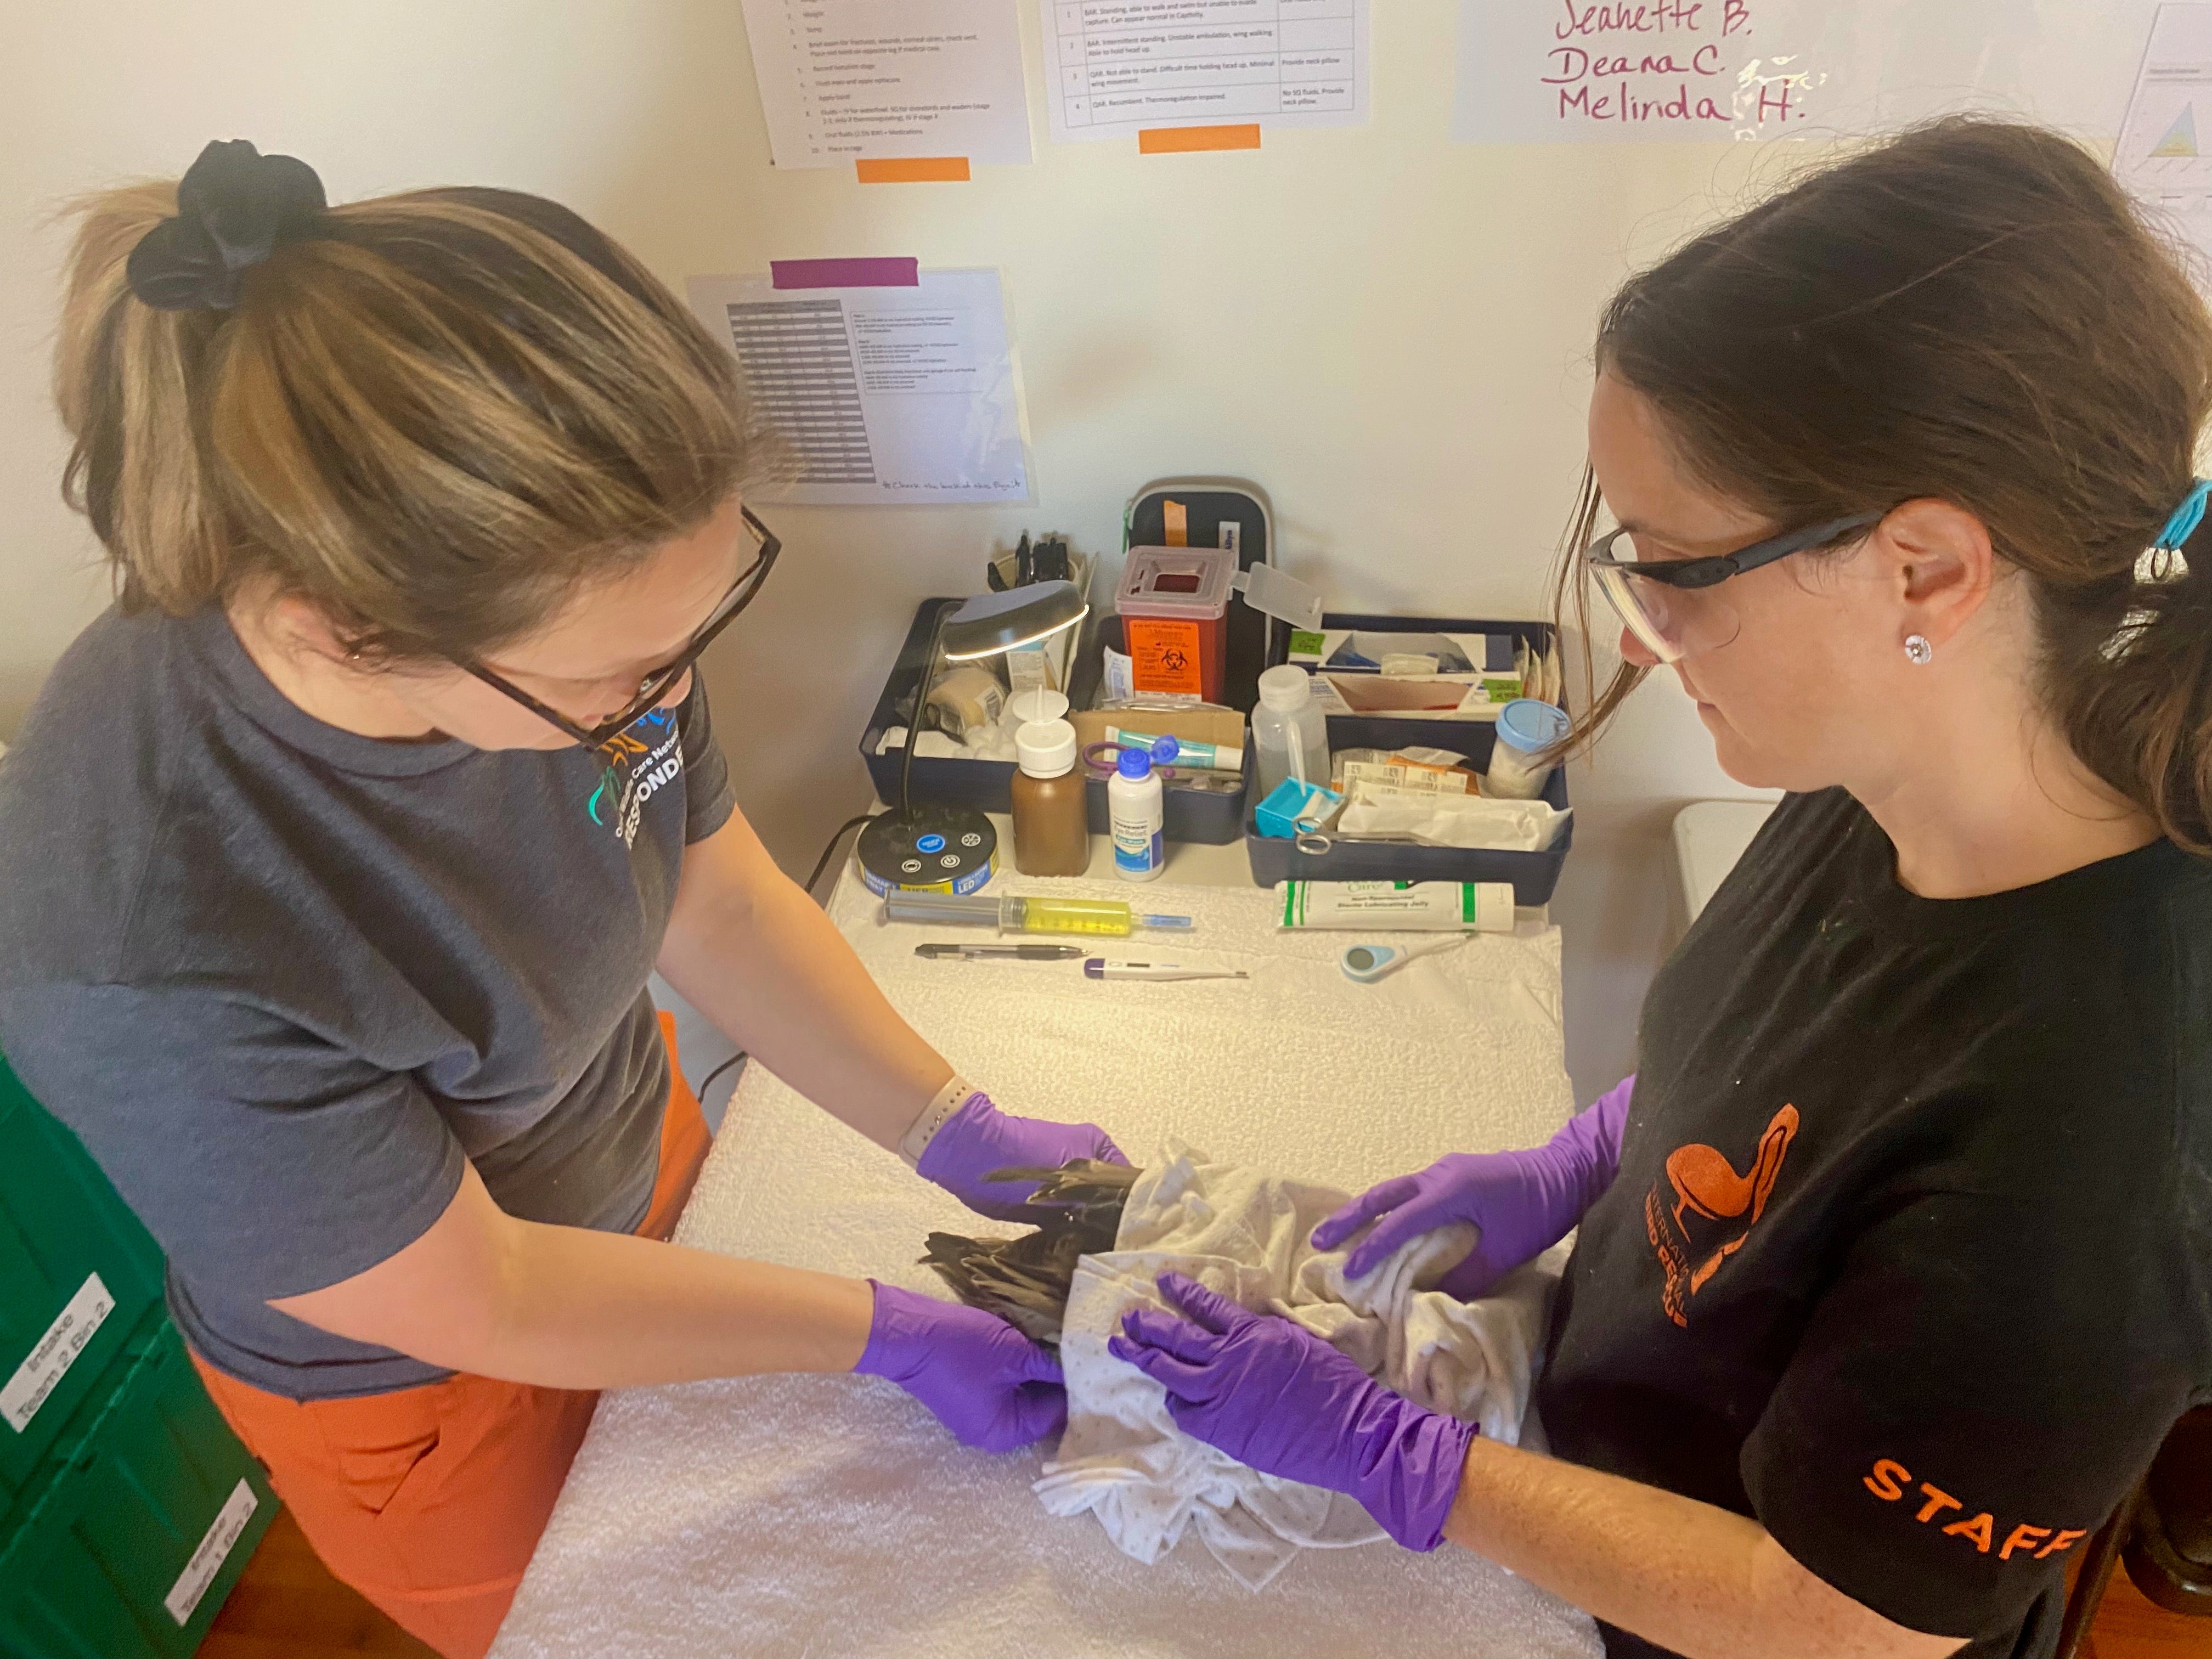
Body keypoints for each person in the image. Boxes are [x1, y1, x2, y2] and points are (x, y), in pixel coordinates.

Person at [0, 140, 1121, 1659]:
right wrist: (885, 1331)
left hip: (620, 1164)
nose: (666, 694)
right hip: (431, 1379)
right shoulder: (143, 946)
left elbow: (707, 900)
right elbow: (500, 1295)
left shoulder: (572, 637)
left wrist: (952, 1131)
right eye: (621, 680)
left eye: (688, 635)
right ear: (344, 631)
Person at [1111, 116, 2212, 1659]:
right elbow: (1806, 1070)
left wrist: (1401, 1459)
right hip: (1617, 1456)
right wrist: (1583, 1158)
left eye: (1679, 566)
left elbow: (1836, 1623)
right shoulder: (1886, 772)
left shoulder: (2104, 1151)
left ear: (1928, 573)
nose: (1639, 632)